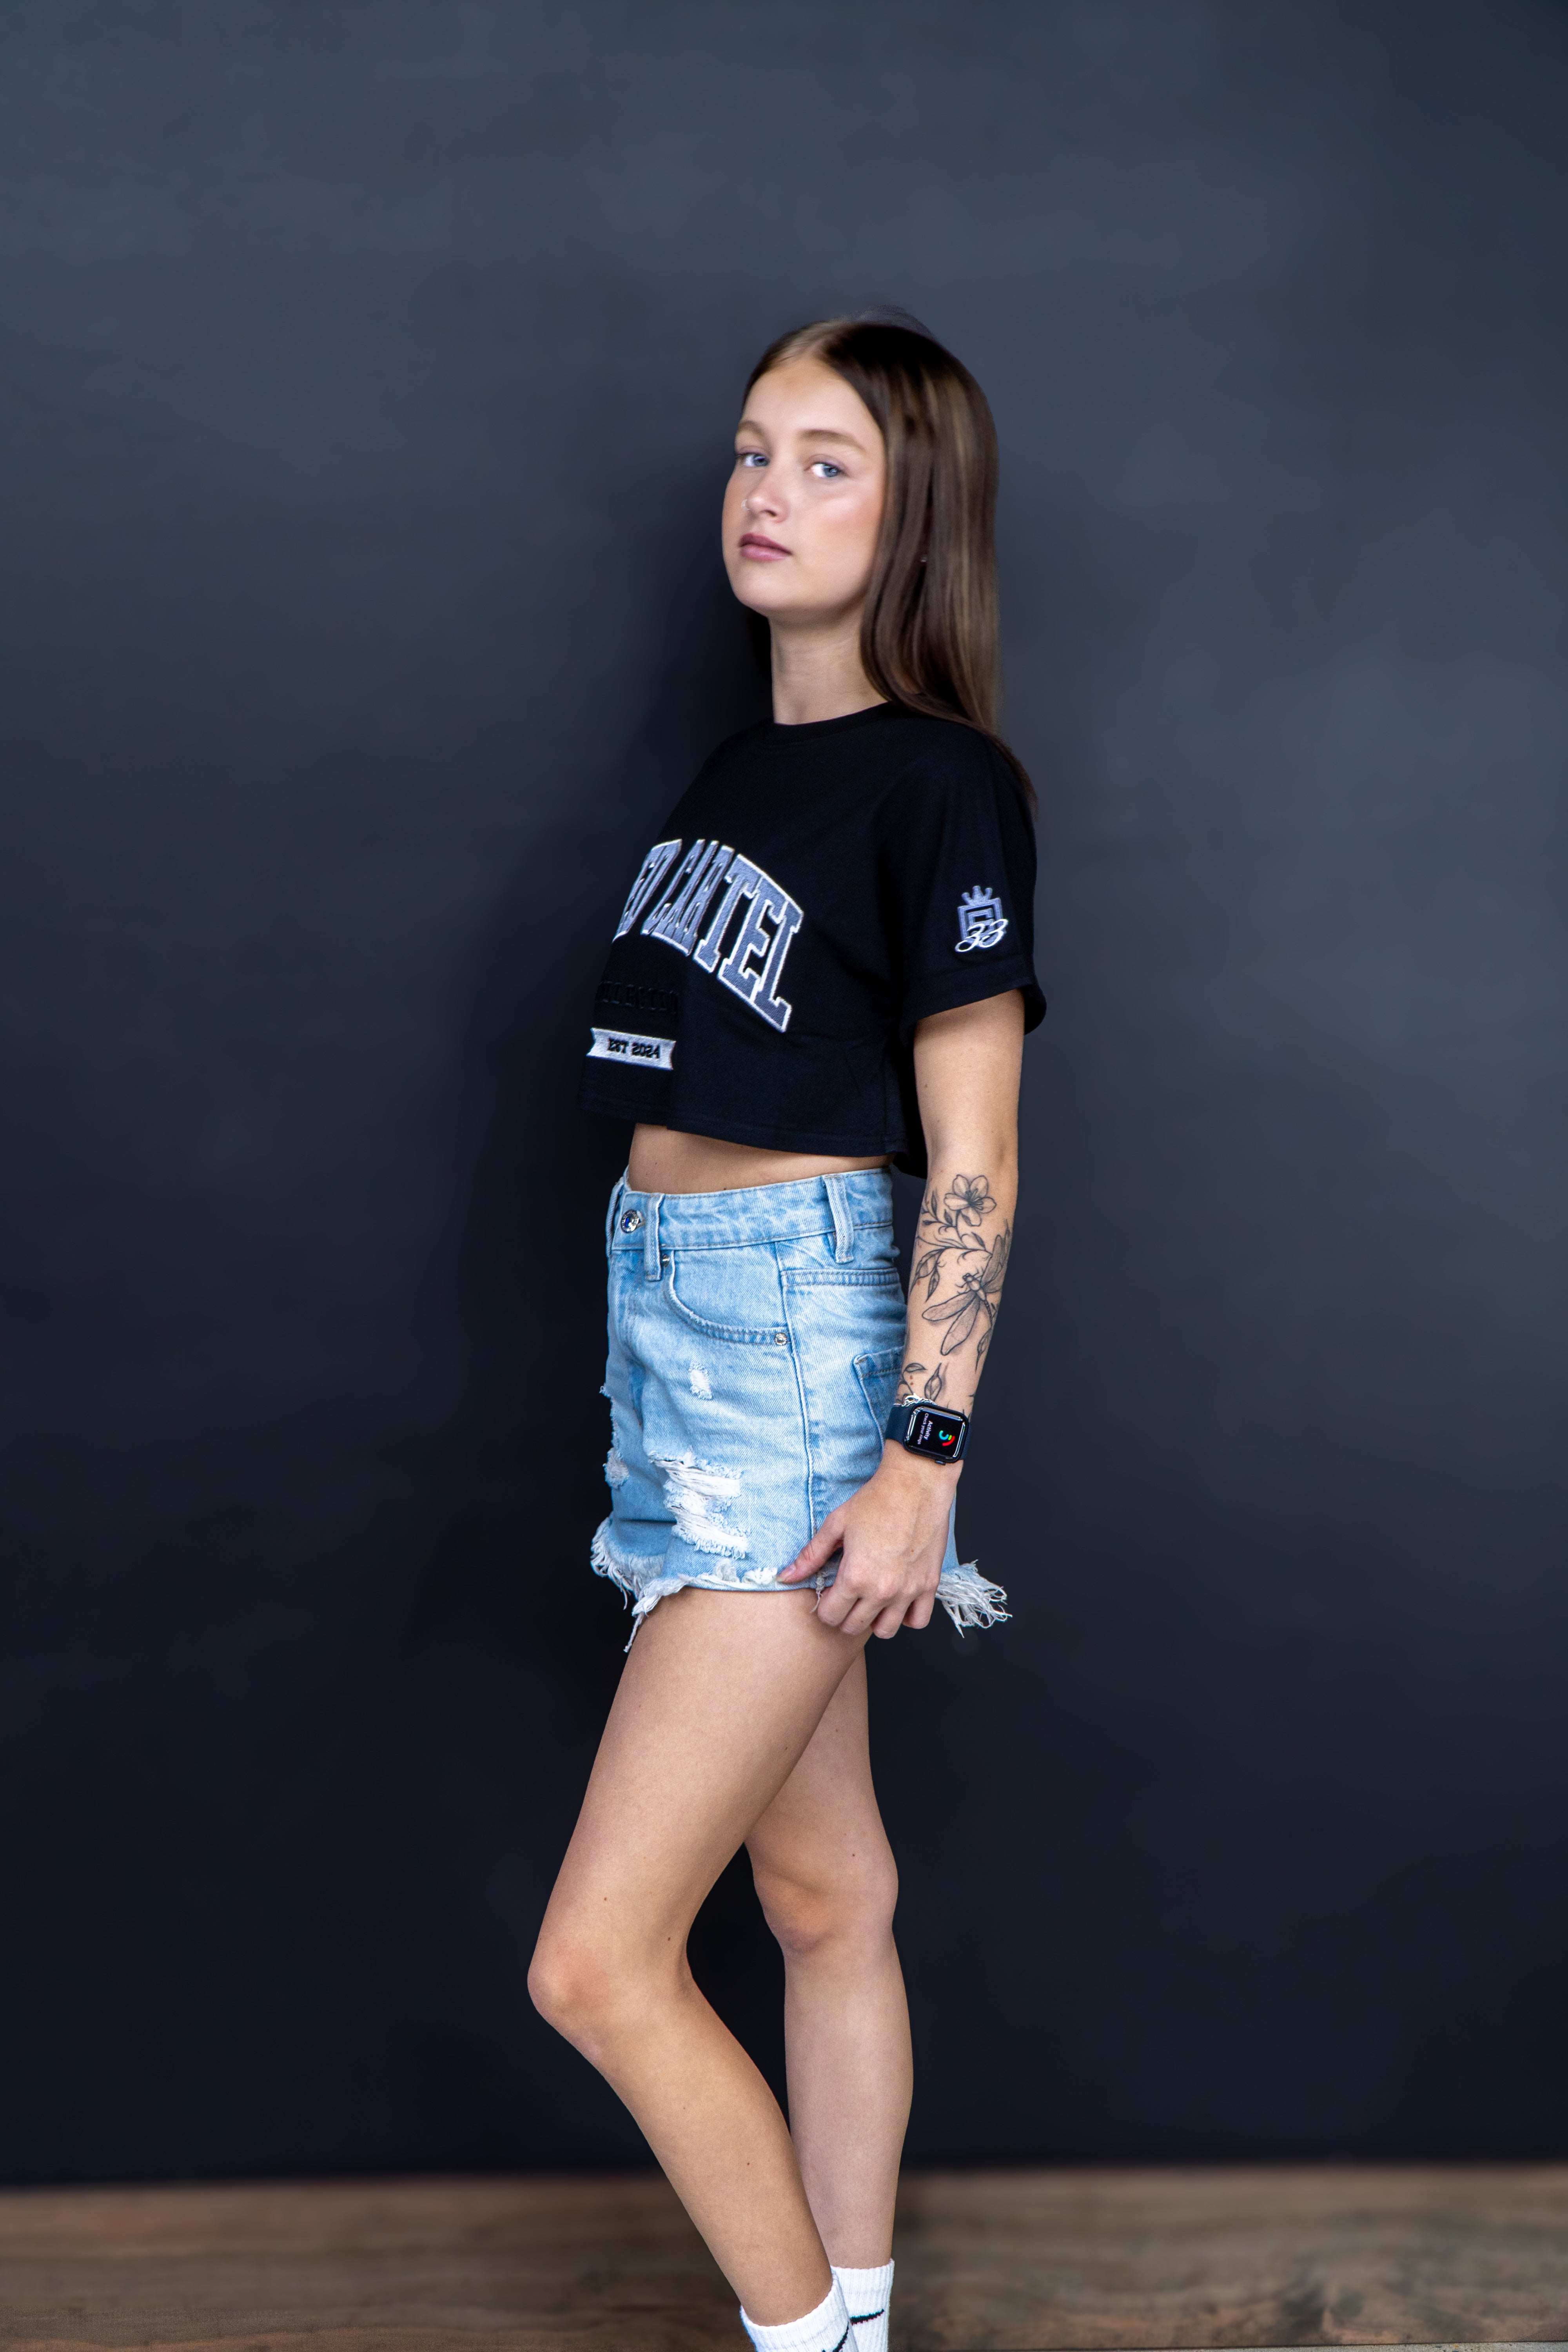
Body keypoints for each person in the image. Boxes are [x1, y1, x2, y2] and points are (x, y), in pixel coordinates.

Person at [530, 312, 1044, 2352]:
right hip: (668, 1333)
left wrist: (923, 1456)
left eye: (829, 462)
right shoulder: (742, 773)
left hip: (794, 1353)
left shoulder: (944, 782)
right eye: (755, 449)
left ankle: (803, 2336)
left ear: (918, 514)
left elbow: (976, 1154)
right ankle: (866, 2328)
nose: (768, 490)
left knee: (596, 1966)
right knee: (828, 1900)